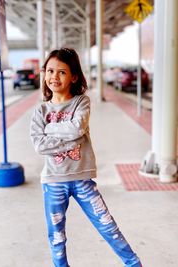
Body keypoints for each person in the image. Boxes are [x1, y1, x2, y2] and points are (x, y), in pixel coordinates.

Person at [30, 47, 142, 267]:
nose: (54, 77)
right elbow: (39, 145)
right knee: (57, 238)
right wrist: (70, 134)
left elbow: (77, 129)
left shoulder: (82, 102)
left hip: (82, 179)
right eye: (50, 71)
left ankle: (134, 264)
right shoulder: (40, 111)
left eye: (62, 72)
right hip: (53, 181)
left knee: (108, 226)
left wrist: (51, 129)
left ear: (73, 76)